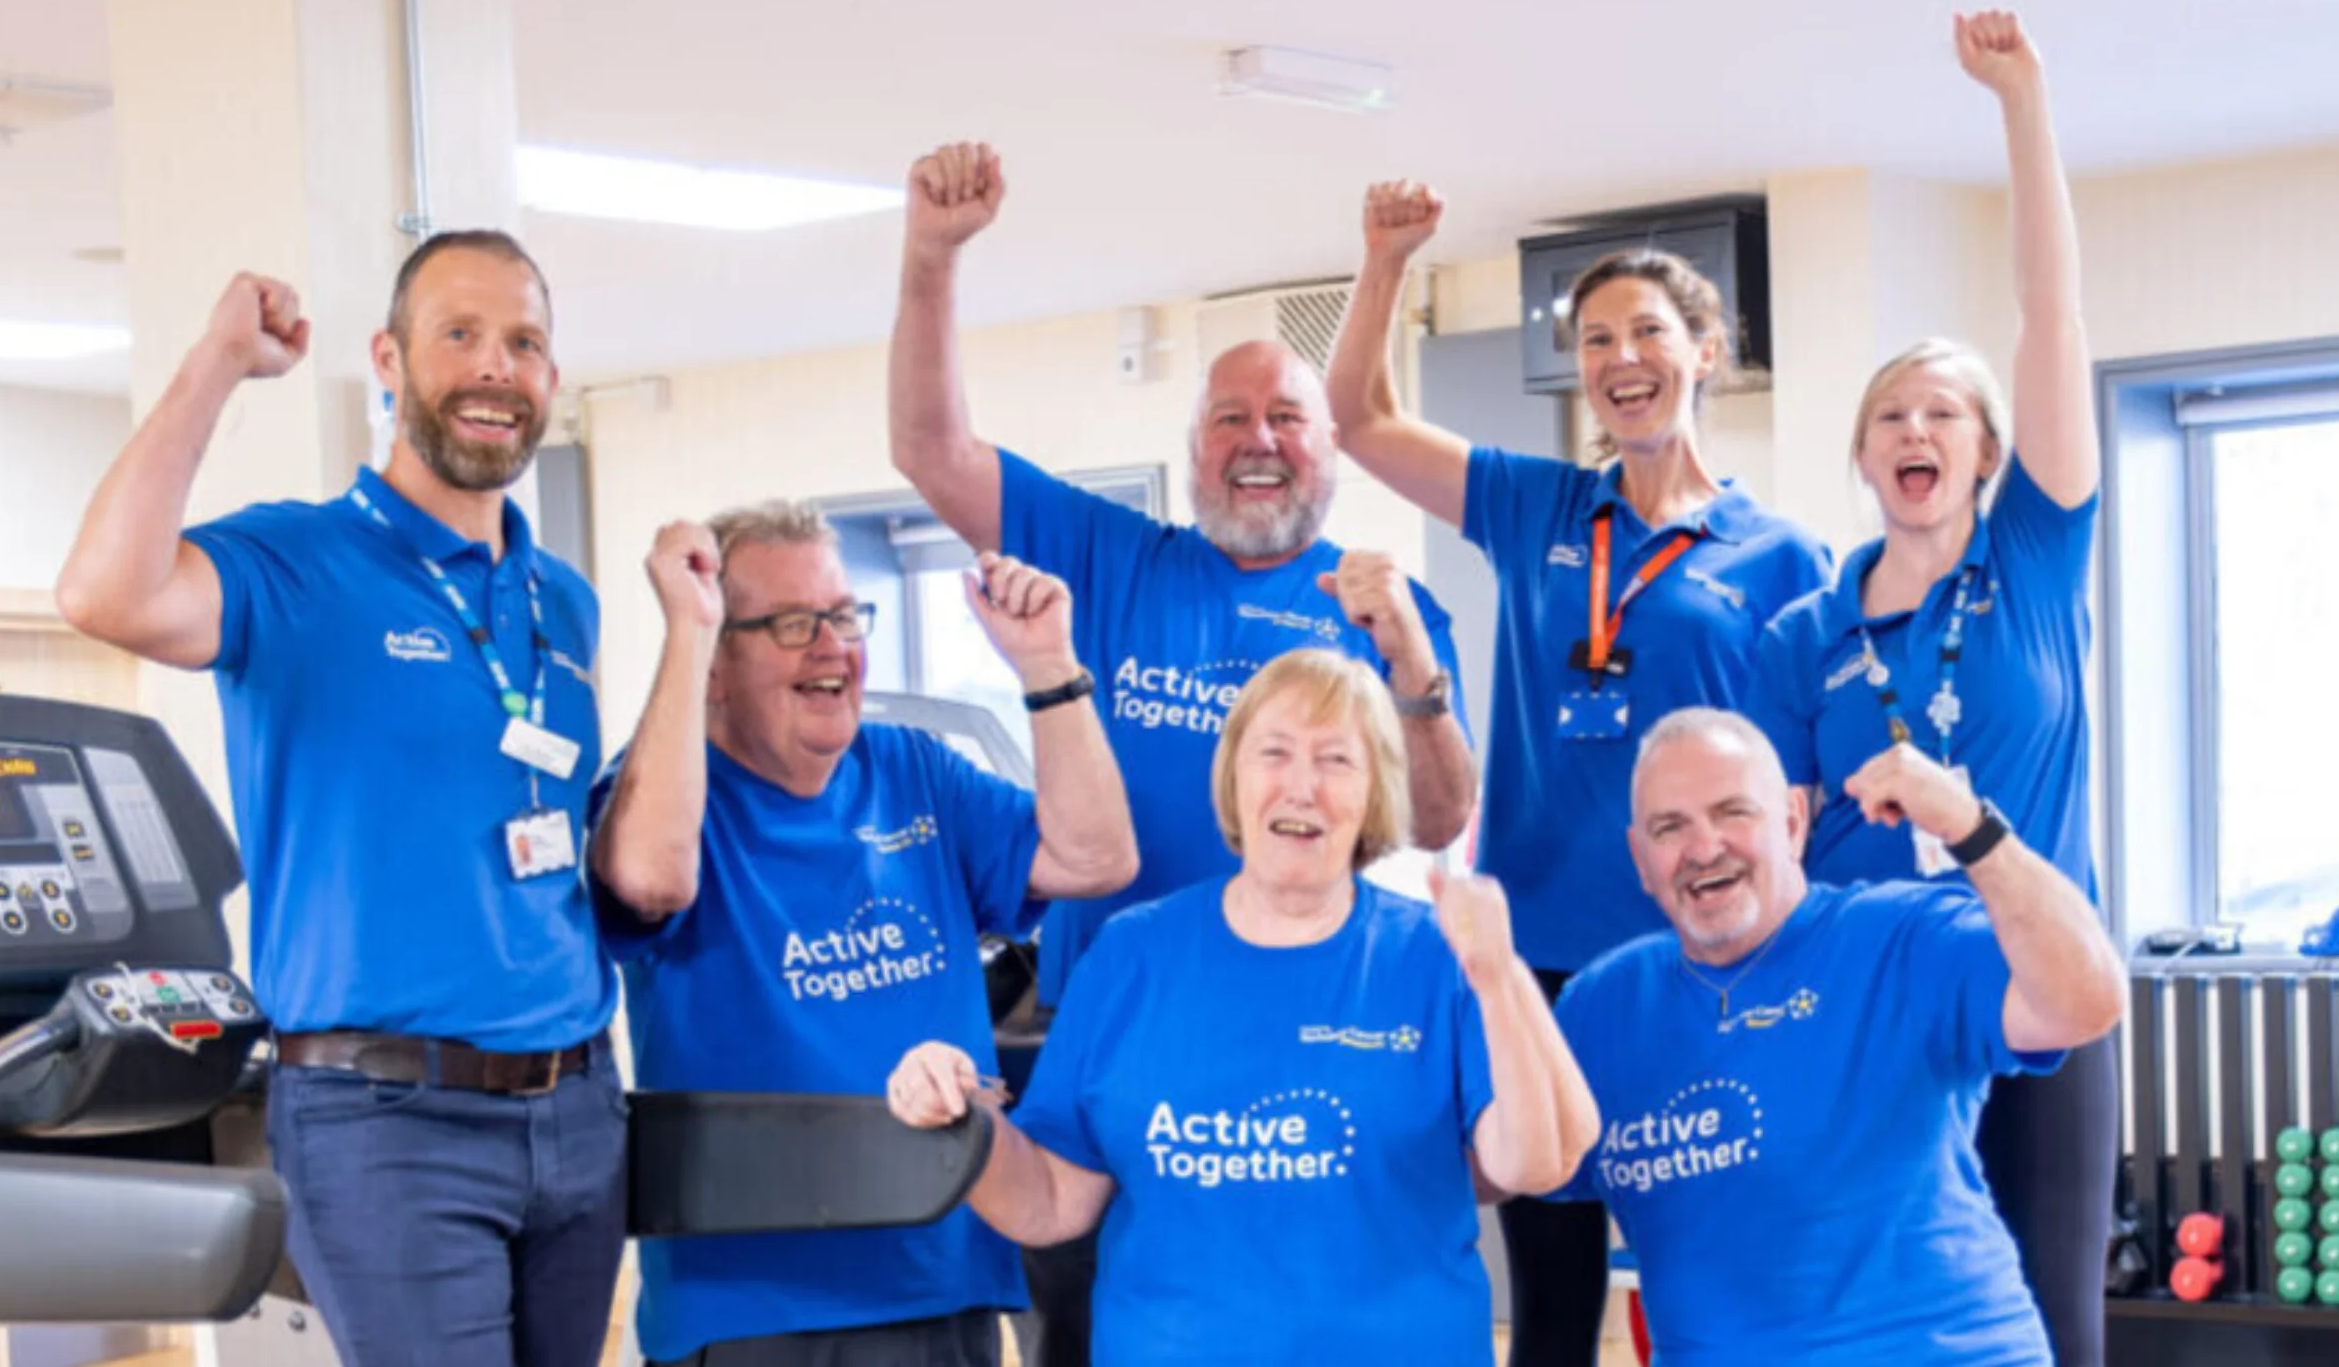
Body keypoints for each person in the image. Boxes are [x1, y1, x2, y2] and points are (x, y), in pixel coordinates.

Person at [884, 141, 1478, 1363]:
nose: (1258, 439)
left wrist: (1413, 668)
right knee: (1082, 1319)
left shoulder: (1376, 605)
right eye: (1230, 418)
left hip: (1308, 1007)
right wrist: (933, 259)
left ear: (1330, 446)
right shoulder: (1118, 556)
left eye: (1289, 419)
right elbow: (932, 449)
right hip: (1111, 1012)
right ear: (1195, 444)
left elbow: (1434, 821)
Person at [55, 234, 629, 1367]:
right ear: (389, 360)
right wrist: (216, 362)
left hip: (576, 1106)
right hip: (389, 1120)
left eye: (524, 343)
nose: (495, 369)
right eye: (459, 335)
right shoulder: (300, 561)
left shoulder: (561, 599)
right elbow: (102, 592)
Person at [1327, 182, 1831, 1364]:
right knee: (1552, 1292)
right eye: (1596, 340)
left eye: (1649, 332)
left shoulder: (1780, 555)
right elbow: (1358, 417)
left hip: (1706, 957)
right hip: (1543, 958)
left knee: (1712, 1263)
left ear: (1707, 353)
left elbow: (1798, 784)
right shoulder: (1538, 504)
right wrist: (1387, 259)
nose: (1621, 358)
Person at [883, 649, 1597, 1366]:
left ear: (1375, 789)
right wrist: (957, 1114)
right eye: (1275, 753)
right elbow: (1048, 1202)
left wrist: (1500, 978)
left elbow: (1527, 1165)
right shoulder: (1131, 955)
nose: (1301, 786)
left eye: (1336, 761)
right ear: (1234, 776)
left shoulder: (1438, 957)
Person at [1740, 10, 2117, 1363]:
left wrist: (2022, 96)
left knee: (2055, 1316)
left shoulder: (2032, 561)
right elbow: (1774, 837)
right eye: (1892, 415)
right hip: (1877, 1005)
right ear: (1862, 456)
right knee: (1882, 1309)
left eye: (1944, 413)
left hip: (2035, 980)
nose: (1917, 430)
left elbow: (2050, 314)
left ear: (1989, 452)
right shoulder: (1799, 636)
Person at [591, 501, 1137, 1365]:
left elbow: (1097, 856)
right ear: (717, 665)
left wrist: (1047, 667)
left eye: (844, 616)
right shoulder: (668, 792)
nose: (831, 645)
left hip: (941, 1269)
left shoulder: (913, 769)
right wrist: (684, 637)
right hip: (752, 1306)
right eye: (791, 622)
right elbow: (649, 881)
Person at [1553, 709, 2125, 1364]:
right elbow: (1493, 1168)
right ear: (1640, 859)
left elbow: (2089, 1003)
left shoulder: (1902, 939)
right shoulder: (1600, 1008)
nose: (1704, 848)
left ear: (1794, 822)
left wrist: (1972, 830)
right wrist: (1491, 977)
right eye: (1669, 828)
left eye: (1733, 812)